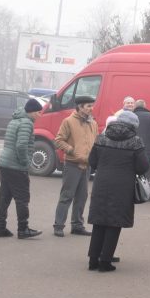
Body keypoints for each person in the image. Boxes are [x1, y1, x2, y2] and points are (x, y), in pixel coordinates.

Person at [86, 110, 149, 272]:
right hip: (123, 186)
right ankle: (105, 262)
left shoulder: (102, 137)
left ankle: (93, 260)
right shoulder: (135, 142)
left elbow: (92, 161)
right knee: (114, 223)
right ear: (134, 126)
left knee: (99, 221)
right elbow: (143, 167)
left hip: (102, 183)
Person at [0, 98, 45, 238]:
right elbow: (21, 145)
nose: (39, 115)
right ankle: (23, 229)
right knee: (22, 198)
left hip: (5, 163)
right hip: (16, 166)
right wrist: (25, 162)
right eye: (38, 112)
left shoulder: (15, 120)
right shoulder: (26, 123)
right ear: (32, 112)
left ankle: (0, 228)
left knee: (4, 197)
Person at [52, 95, 98, 237]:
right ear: (79, 107)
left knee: (82, 196)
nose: (91, 108)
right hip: (72, 164)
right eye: (88, 106)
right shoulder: (69, 121)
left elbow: (95, 143)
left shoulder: (93, 123)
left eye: (92, 105)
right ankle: (58, 226)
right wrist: (72, 151)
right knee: (67, 196)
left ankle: (77, 225)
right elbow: (58, 140)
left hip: (87, 165)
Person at [132, 99, 150, 202]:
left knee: (132, 171)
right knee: (146, 172)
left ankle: (132, 193)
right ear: (145, 106)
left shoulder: (131, 116)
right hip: (148, 150)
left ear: (135, 106)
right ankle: (146, 194)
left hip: (133, 148)